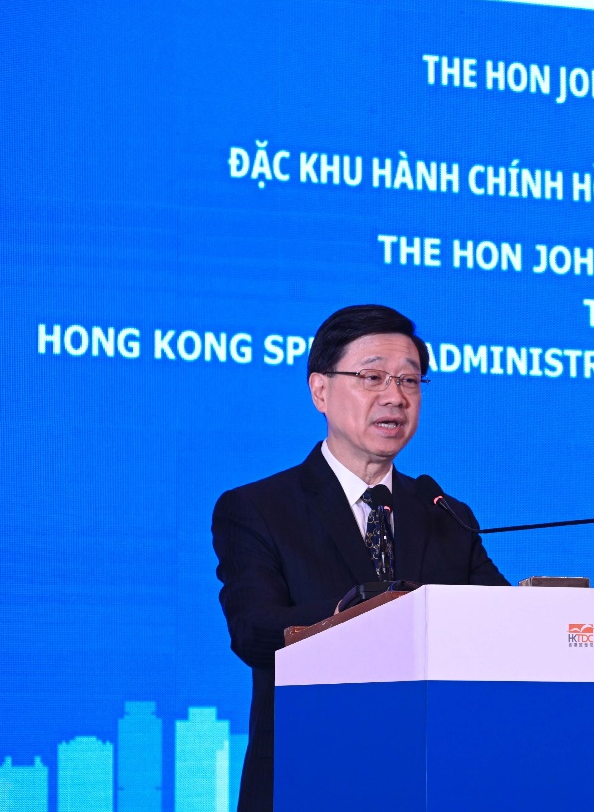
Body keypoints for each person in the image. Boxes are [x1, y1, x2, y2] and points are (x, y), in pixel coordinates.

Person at [211, 304, 508, 812]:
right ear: (320, 391)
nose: (395, 396)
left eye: (411, 381)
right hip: (310, 777)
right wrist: (373, 612)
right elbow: (255, 631)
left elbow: (502, 623)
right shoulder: (259, 508)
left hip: (435, 782)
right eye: (372, 377)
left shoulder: (444, 512)